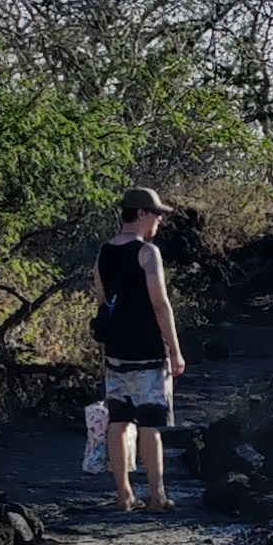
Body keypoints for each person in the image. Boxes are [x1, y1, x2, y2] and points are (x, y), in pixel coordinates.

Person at [90, 189, 188, 510]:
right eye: (156, 213)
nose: (160, 219)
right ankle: (157, 496)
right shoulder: (147, 253)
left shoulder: (102, 253)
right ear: (142, 214)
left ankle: (124, 494)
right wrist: (175, 350)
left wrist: (104, 354)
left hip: (116, 352)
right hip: (147, 351)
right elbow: (160, 305)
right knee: (150, 424)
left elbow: (103, 305)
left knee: (117, 424)